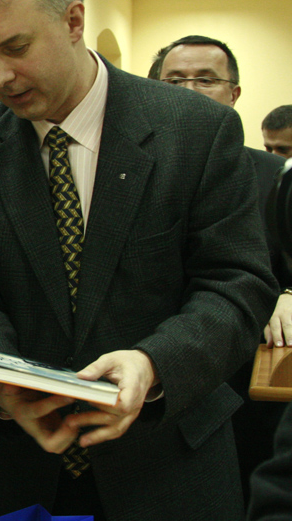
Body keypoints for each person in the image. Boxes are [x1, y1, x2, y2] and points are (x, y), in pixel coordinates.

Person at [0, 0, 277, 521]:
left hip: (168, 464)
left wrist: (154, 364)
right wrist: (3, 386)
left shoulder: (195, 131)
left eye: (15, 47)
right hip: (20, 471)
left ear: (73, 20)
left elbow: (236, 286)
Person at [150, 34, 288, 501]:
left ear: (234, 93)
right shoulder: (128, 173)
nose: (189, 91)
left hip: (246, 382)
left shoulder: (273, 176)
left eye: (206, 80)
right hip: (155, 379)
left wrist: (287, 295)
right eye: (174, 81)